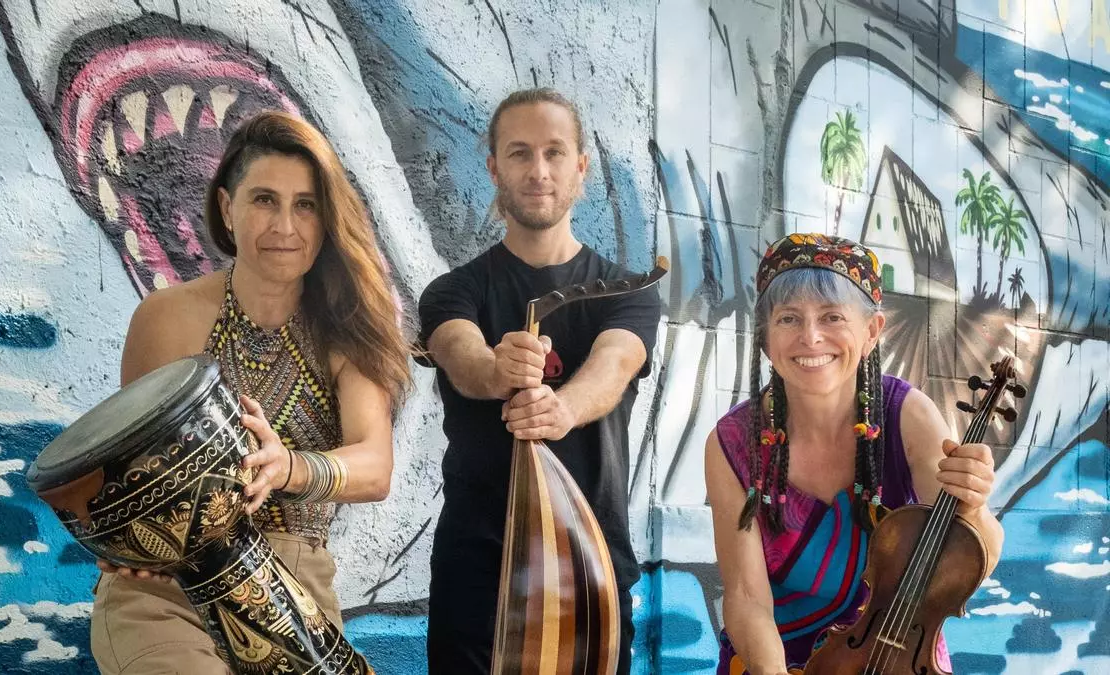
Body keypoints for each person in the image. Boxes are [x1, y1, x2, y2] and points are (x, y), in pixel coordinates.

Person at [89, 111, 410, 674]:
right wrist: (123, 543)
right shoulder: (167, 318)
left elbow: (374, 466)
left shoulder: (349, 331)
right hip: (168, 587)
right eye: (264, 200)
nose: (285, 225)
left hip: (297, 596)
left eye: (305, 205)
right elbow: (127, 472)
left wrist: (288, 467)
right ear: (226, 208)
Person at [417, 87, 662, 674]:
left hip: (590, 570)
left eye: (554, 152)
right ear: (493, 168)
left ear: (581, 168)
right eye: (520, 152)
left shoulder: (630, 293)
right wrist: (497, 370)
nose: (539, 171)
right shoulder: (452, 291)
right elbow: (460, 353)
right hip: (478, 577)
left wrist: (564, 409)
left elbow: (615, 364)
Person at [703, 233, 1005, 674]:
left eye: (832, 317)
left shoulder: (907, 416)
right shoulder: (733, 443)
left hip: (899, 659)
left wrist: (973, 508)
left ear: (871, 332)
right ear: (766, 337)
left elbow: (981, 558)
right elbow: (747, 597)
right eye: (789, 318)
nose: (810, 337)